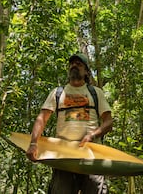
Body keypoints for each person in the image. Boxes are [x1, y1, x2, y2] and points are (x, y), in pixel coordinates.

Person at [26, 53, 113, 194]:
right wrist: (33, 143)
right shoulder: (57, 93)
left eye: (79, 64)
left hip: (92, 156)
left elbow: (108, 122)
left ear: (86, 72)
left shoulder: (96, 93)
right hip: (63, 158)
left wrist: (92, 135)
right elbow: (42, 118)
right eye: (72, 64)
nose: (74, 66)